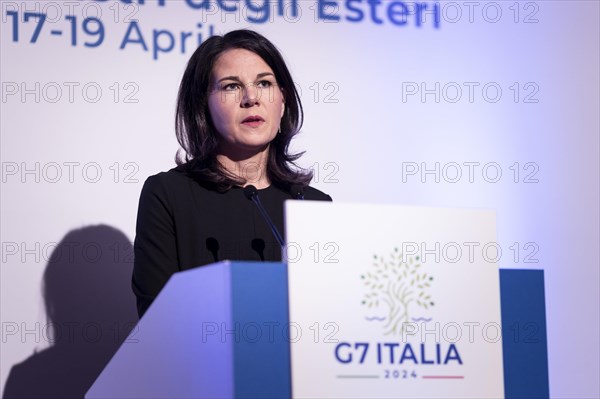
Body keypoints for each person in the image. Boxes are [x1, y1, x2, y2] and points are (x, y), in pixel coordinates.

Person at [132, 29, 332, 318]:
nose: (251, 98)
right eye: (231, 86)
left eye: (264, 83)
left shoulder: (313, 205)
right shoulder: (168, 195)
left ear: (283, 99)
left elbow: (331, 319)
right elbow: (158, 322)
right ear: (204, 105)